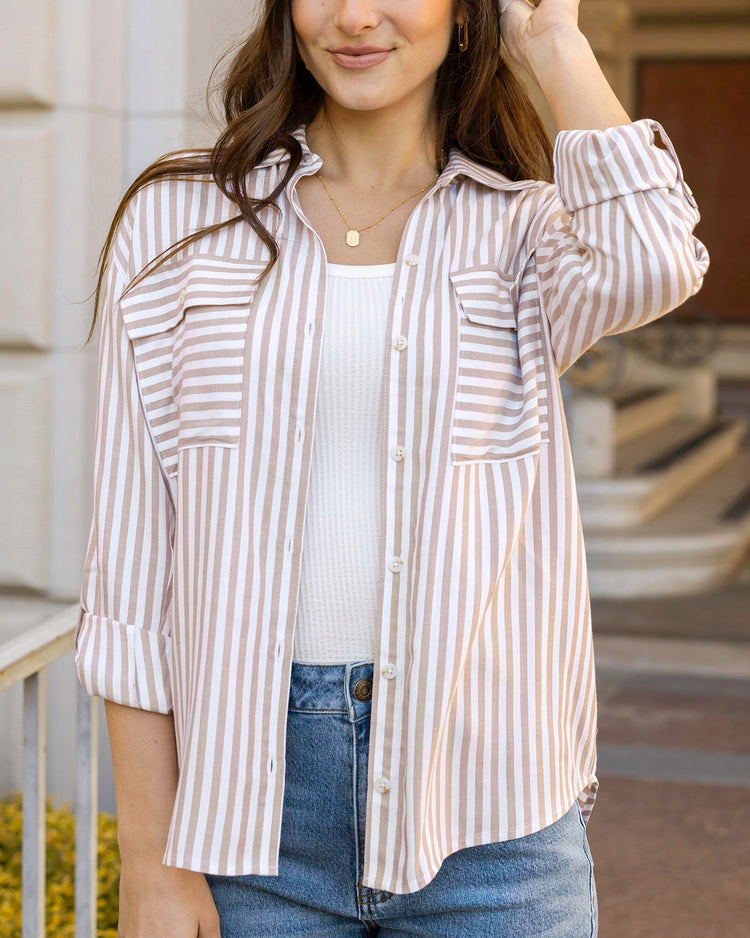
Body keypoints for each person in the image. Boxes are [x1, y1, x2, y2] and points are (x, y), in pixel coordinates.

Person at [74, 0, 709, 935]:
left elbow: (656, 256)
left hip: (494, 824)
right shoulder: (181, 221)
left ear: (464, 18)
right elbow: (132, 579)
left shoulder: (524, 233)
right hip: (250, 826)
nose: (355, 16)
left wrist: (553, 42)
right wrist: (153, 865)